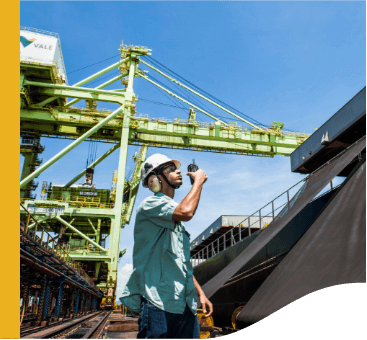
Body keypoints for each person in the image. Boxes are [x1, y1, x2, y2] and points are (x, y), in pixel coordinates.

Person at [120, 153, 213, 339]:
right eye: (170, 169)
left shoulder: (174, 218)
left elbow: (180, 262)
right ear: (155, 179)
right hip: (158, 303)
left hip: (184, 304)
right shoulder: (150, 205)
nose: (178, 171)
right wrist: (198, 182)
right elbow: (187, 211)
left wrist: (200, 293)